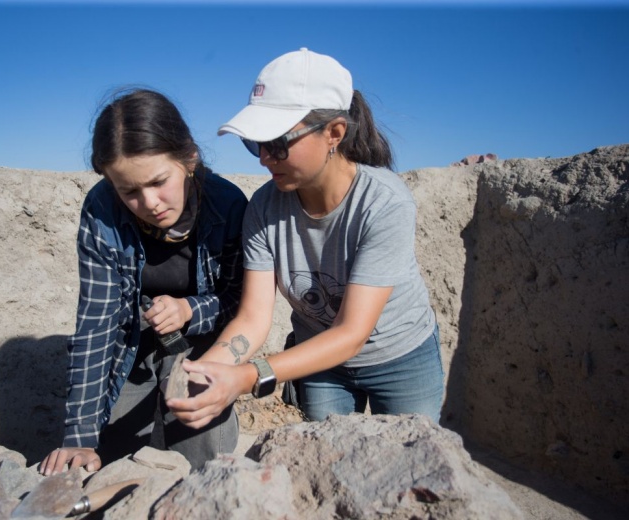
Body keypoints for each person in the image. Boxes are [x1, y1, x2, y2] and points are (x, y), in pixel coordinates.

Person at [167, 48, 444, 431]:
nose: (264, 158)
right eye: (255, 144)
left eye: (277, 143)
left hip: (401, 359)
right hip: (318, 362)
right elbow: (252, 317)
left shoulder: (384, 203)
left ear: (334, 133)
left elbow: (350, 334)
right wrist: (209, 370)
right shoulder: (264, 208)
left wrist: (247, 377)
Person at [39, 88, 247, 475]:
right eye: (129, 191)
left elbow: (242, 303)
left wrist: (190, 310)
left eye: (158, 181)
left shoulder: (228, 205)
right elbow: (97, 323)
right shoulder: (101, 211)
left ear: (189, 159)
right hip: (131, 344)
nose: (149, 203)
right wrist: (80, 437)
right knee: (112, 450)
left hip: (203, 343)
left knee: (201, 448)